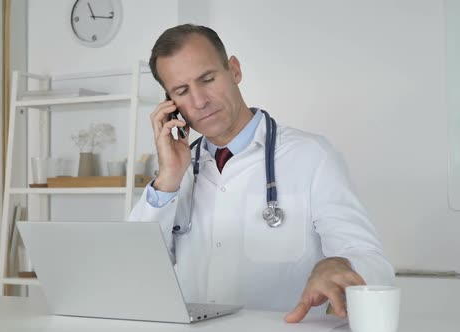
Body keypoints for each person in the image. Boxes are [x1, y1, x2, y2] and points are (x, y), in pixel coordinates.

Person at [128, 24, 394, 322]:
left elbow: (372, 260)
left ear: (234, 70)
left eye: (208, 79)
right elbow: (131, 270)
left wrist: (339, 264)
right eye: (182, 91)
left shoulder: (311, 156)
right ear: (170, 104)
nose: (200, 101)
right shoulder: (177, 172)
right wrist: (167, 181)